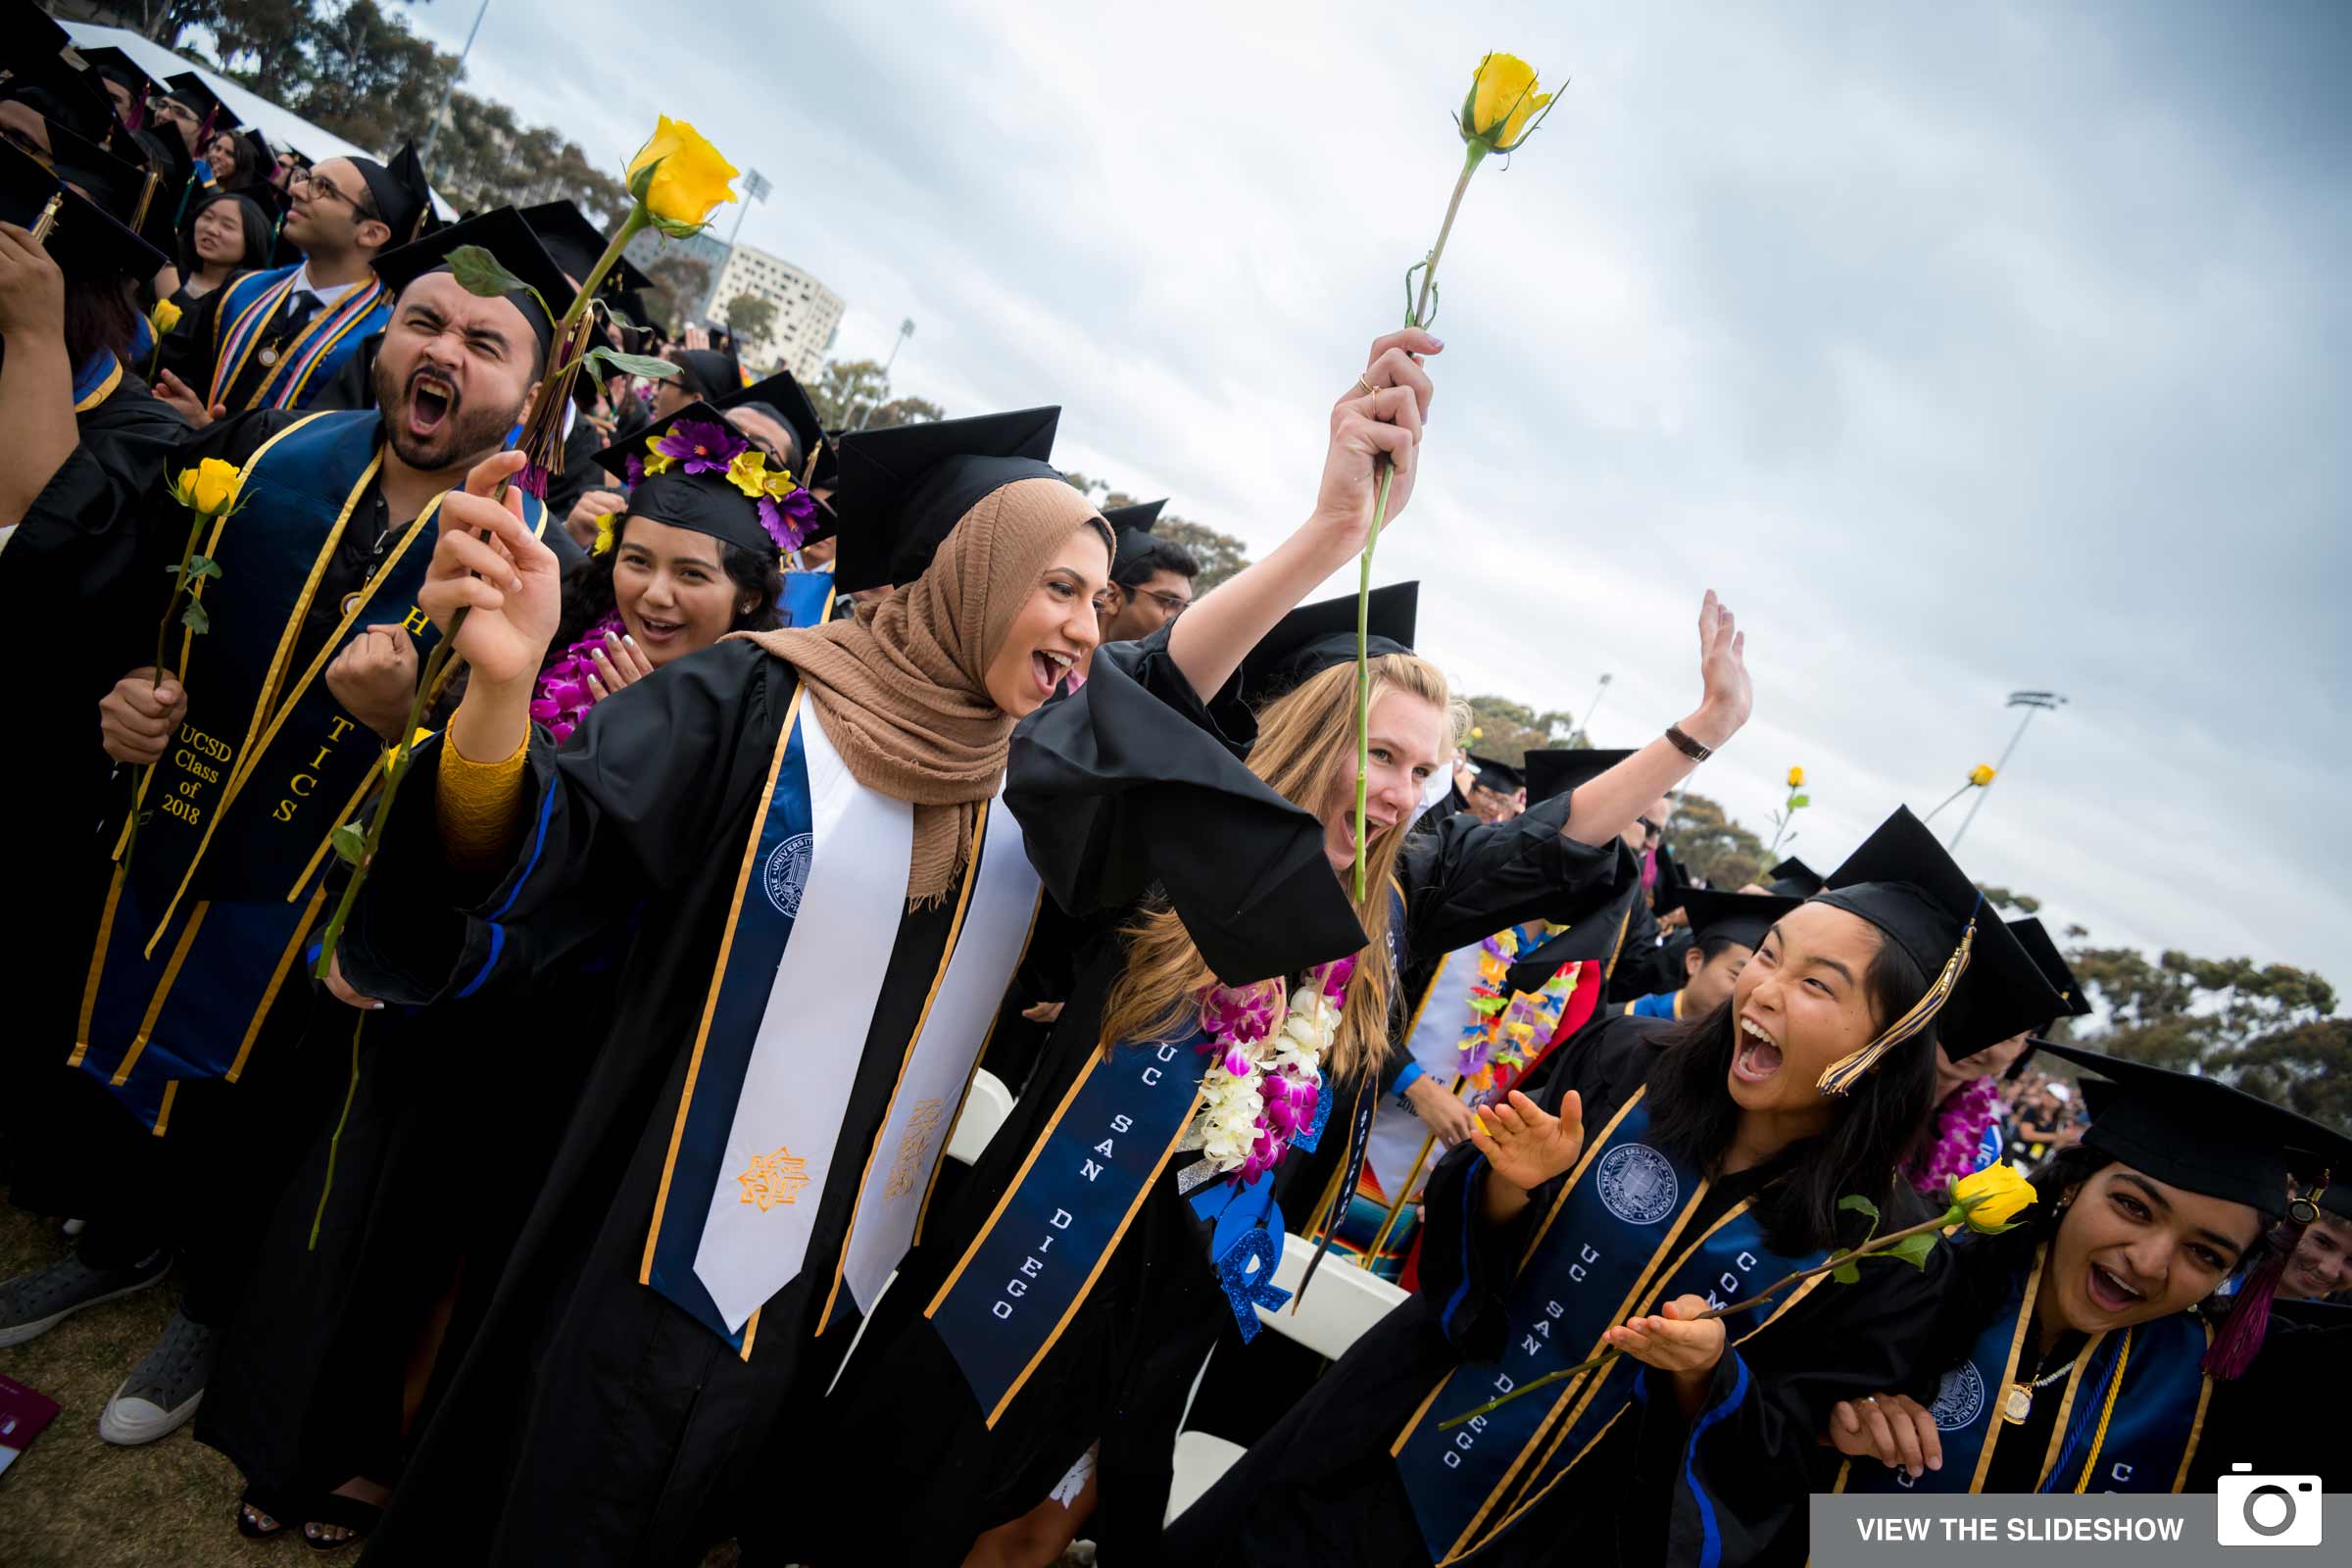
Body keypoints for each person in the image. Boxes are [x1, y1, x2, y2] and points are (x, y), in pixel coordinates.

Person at [308, 388, 1157, 1563]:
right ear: (968, 573)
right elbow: (554, 847)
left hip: (827, 1293)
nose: (1083, 624)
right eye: (1057, 585)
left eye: (1097, 600)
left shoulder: (1022, 791)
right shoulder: (758, 699)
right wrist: (502, 697)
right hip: (656, 1234)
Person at [805, 518, 1752, 1568]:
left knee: (1030, 1536)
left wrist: (1696, 733)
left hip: (1178, 1300)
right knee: (896, 1504)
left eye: (1421, 770)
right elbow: (1139, 690)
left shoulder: (1391, 905)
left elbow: (1545, 842)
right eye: (1379, 752)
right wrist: (1333, 528)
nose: (1399, 790)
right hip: (1033, 1249)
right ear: (1308, 732)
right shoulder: (1169, 847)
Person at [0, 210, 564, 1450]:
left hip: (332, 903)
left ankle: (210, 1297)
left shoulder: (535, 565)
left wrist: (394, 729)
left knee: (267, 1090)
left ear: (532, 389)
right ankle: (122, 1236)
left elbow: (508, 802)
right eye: (423, 321)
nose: (445, 351)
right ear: (382, 339)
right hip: (182, 818)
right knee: (137, 990)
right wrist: (127, 699)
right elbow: (145, 592)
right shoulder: (271, 446)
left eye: (486, 341)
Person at [196, 397, 800, 1545]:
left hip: (581, 1032)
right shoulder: (555, 643)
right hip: (462, 987)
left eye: (696, 577)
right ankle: (317, 1436)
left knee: (481, 1257)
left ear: (753, 599)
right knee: (380, 1220)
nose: (657, 596)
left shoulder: (760, 723)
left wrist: (651, 760)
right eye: (641, 563)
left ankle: (402, 1457)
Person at [1166, 807, 2062, 1568]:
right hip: (1380, 1450)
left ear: (1888, 1044)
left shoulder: (1884, 1249)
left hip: (1570, 1534)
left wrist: (1711, 1373)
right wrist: (1507, 1187)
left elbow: (1784, 1452)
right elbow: (1456, 1252)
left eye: (1816, 986)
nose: (1764, 989)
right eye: (1770, 955)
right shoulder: (1626, 1062)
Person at [1825, 1043, 2352, 1494]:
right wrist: (1828, 1422)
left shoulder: (2214, 1382)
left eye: (2205, 1254)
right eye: (2133, 1207)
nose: (2148, 1263)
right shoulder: (1909, 1276)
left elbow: (2298, 1531)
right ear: (2073, 1186)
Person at [153, 141, 434, 422]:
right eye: (305, 178)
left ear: (371, 234)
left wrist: (208, 432)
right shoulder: (242, 290)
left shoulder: (379, 345)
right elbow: (175, 373)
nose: (296, 189)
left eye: (323, 187)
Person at [1906, 916, 2092, 1193]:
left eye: (2006, 1035)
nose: (1980, 1043)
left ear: (2023, 1048)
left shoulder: (1989, 1149)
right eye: (1972, 1017)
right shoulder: (1844, 1084)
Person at [1619, 887, 1801, 1022]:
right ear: (1695, 961)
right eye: (1737, 975)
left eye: (1757, 984)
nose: (1746, 992)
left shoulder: (1733, 1066)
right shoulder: (1614, 1023)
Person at [168, 188, 271, 312]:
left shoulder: (242, 305)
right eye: (207, 217)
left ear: (251, 242)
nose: (211, 229)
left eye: (227, 226)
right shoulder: (171, 266)